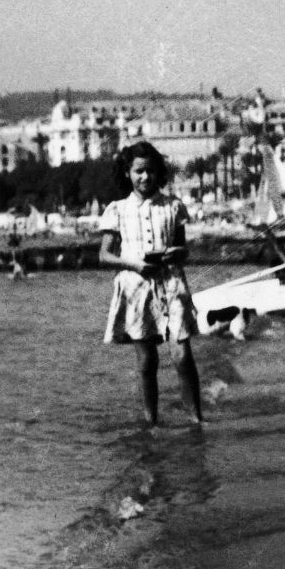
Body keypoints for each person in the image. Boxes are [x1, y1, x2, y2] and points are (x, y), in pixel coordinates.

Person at [97, 141, 202, 426]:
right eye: (139, 171)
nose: (145, 177)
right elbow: (104, 255)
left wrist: (176, 254)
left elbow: (183, 249)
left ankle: (196, 420)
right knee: (147, 361)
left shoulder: (173, 206)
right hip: (136, 287)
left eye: (151, 171)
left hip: (171, 284)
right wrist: (134, 264)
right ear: (127, 173)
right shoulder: (117, 209)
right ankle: (151, 422)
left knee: (182, 355)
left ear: (159, 172)